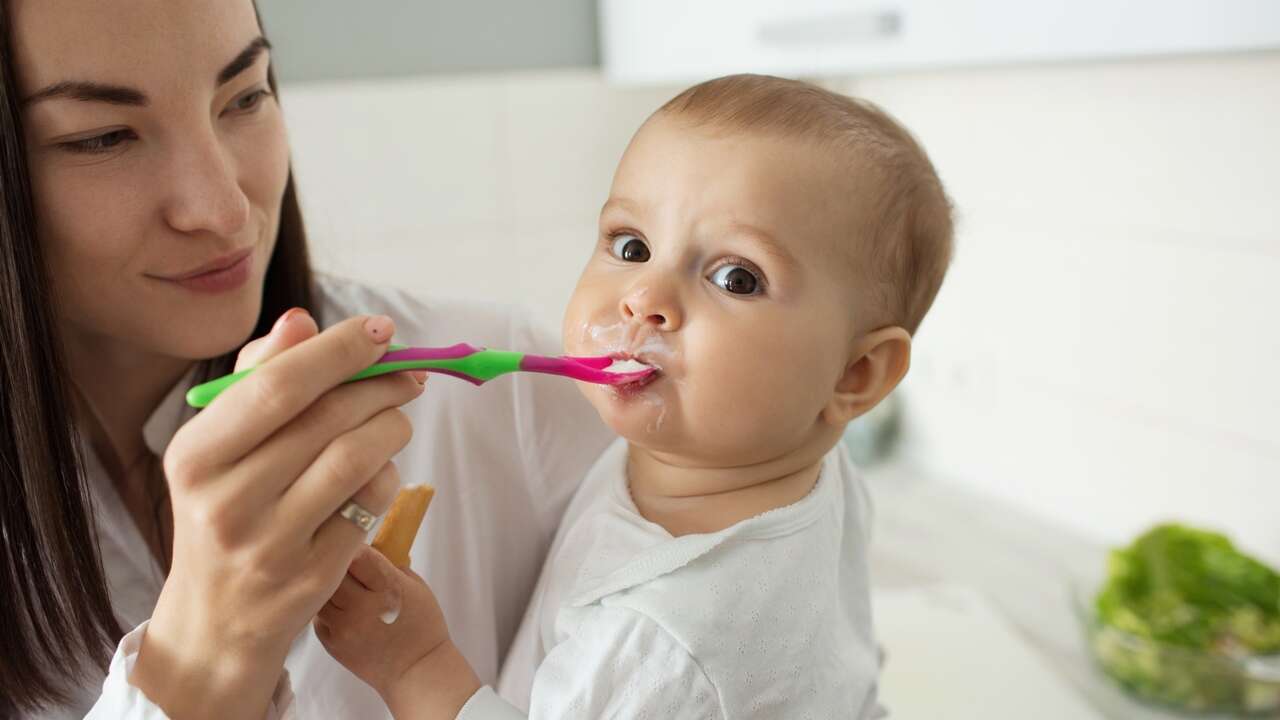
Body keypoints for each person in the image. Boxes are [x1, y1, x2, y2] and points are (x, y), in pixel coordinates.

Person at [0, 1, 610, 718]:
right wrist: (207, 652)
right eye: (104, 138)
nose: (225, 211)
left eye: (247, 95)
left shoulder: (500, 399)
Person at [314, 74, 955, 718]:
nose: (644, 298)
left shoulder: (665, 641)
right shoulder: (803, 468)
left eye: (736, 278)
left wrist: (415, 665)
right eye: (632, 246)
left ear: (856, 374)